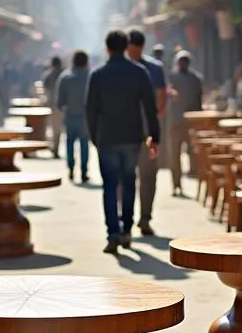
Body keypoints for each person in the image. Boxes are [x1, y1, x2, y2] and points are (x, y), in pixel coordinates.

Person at [86, 30, 160, 254]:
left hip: (107, 138)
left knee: (109, 186)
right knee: (129, 183)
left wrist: (94, 137)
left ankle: (113, 234)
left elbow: (90, 109)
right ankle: (127, 230)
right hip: (131, 137)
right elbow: (150, 106)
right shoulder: (138, 73)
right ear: (126, 47)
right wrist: (154, 136)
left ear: (107, 48)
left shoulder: (98, 75)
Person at [126, 27, 167, 235]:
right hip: (127, 132)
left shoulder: (154, 68)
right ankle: (126, 218)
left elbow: (161, 99)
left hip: (145, 132)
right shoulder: (148, 69)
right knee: (127, 177)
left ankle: (144, 218)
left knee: (148, 175)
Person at [167, 50, 204, 196]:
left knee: (193, 153)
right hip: (176, 122)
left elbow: (199, 101)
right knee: (174, 155)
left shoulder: (195, 79)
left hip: (191, 122)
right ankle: (176, 184)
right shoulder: (171, 78)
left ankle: (193, 176)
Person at [56, 50, 91, 183]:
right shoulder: (90, 76)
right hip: (85, 116)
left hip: (70, 115)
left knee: (69, 143)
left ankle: (71, 168)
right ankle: (84, 171)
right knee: (84, 144)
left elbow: (60, 101)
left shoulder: (65, 77)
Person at [43, 55, 64, 157]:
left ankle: (54, 147)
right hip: (63, 105)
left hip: (52, 104)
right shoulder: (64, 74)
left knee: (54, 127)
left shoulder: (48, 75)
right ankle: (55, 147)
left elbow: (45, 90)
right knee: (58, 129)